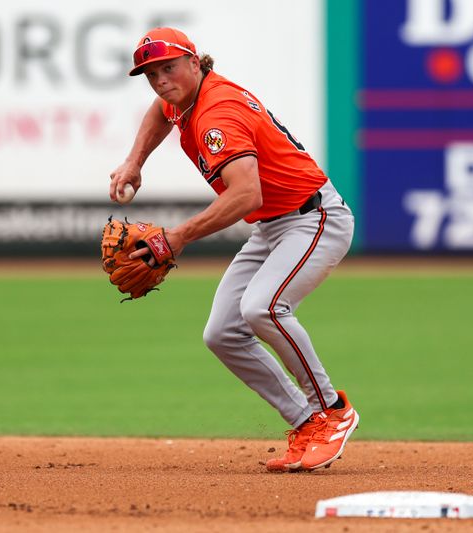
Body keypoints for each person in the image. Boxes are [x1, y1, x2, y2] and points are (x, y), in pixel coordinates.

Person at [109, 27, 359, 472]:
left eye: (168, 68)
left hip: (314, 218)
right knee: (222, 333)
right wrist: (134, 161)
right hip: (271, 228)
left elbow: (247, 195)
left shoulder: (217, 112)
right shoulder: (183, 94)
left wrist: (179, 236)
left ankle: (332, 411)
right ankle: (305, 423)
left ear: (195, 62)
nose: (161, 80)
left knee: (263, 308)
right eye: (151, 73)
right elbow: (160, 111)